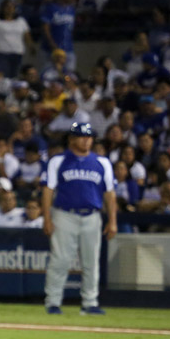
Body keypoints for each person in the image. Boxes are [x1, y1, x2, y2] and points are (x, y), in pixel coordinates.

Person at [42, 122, 116, 316]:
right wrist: (47, 218)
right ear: (72, 139)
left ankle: (90, 302)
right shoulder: (58, 161)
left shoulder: (102, 162)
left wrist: (113, 220)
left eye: (89, 136)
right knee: (60, 261)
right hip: (64, 214)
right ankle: (53, 302)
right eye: (82, 136)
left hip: (92, 215)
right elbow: (48, 190)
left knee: (91, 262)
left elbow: (110, 194)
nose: (86, 140)